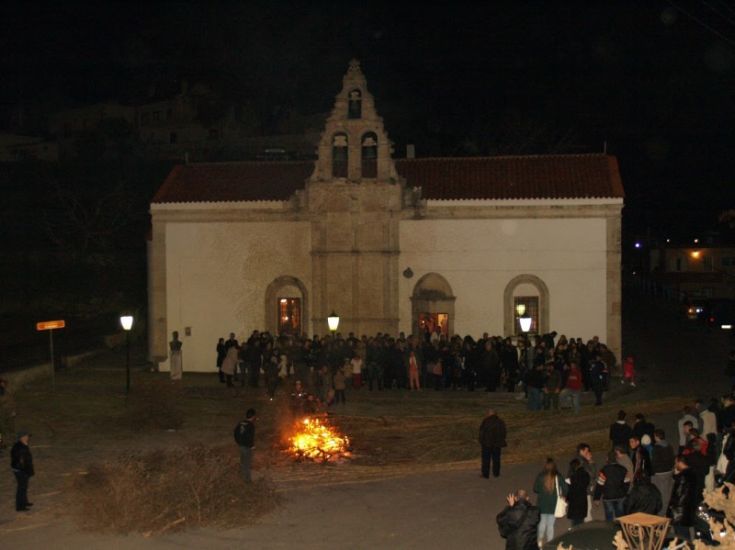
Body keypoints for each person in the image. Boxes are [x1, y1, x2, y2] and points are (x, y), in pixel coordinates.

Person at [533, 457, 568, 547]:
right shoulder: (558, 476)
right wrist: (563, 495)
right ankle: (550, 543)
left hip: (542, 504)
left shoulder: (541, 476)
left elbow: (535, 489)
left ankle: (539, 541)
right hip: (554, 505)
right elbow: (565, 489)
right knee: (550, 525)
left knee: (541, 524)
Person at [667, 454, 698, 541]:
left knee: (681, 536)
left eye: (675, 463)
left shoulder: (683, 477)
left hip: (680, 512)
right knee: (685, 533)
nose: (675, 465)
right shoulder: (692, 474)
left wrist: (673, 508)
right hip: (688, 510)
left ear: (680, 462)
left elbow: (679, 494)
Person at [593, 448, 630, 521]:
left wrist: (596, 498)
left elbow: (600, 485)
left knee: (609, 517)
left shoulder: (603, 470)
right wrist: (624, 492)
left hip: (608, 497)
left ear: (607, 458)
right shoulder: (623, 469)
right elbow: (627, 482)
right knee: (621, 517)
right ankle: (620, 530)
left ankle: (610, 531)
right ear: (616, 458)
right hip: (620, 496)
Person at [651, 428, 675, 516]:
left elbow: (654, 462)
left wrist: (653, 472)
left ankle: (661, 512)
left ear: (656, 437)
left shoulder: (656, 448)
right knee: (667, 491)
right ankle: (666, 510)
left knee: (660, 493)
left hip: (660, 473)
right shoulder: (669, 446)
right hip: (669, 471)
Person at [479, 408, 507, 478]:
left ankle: (485, 474)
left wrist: (482, 441)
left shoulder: (486, 421)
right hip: (497, 444)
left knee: (486, 460)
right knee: (496, 459)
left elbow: (482, 433)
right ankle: (496, 473)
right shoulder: (500, 422)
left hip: (487, 444)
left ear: (489, 413)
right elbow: (504, 433)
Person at [11, 430, 34, 512]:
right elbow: (21, 460)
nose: (28, 438)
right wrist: (25, 471)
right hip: (21, 470)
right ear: (22, 437)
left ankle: (24, 502)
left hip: (21, 469)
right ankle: (20, 506)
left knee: (24, 487)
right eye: (26, 436)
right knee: (21, 487)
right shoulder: (20, 446)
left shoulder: (21, 445)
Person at [566, 458, 590, 527]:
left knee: (574, 521)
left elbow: (571, 489)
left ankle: (575, 533)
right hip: (582, 499)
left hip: (574, 501)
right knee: (581, 519)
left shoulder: (573, 476)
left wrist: (567, 498)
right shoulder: (585, 474)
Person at [233, 409, 256, 482]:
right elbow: (250, 436)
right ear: (252, 417)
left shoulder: (241, 423)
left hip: (241, 446)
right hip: (247, 447)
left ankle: (241, 477)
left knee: (242, 462)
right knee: (247, 463)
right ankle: (247, 480)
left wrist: (238, 442)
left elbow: (235, 433)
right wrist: (252, 445)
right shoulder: (251, 425)